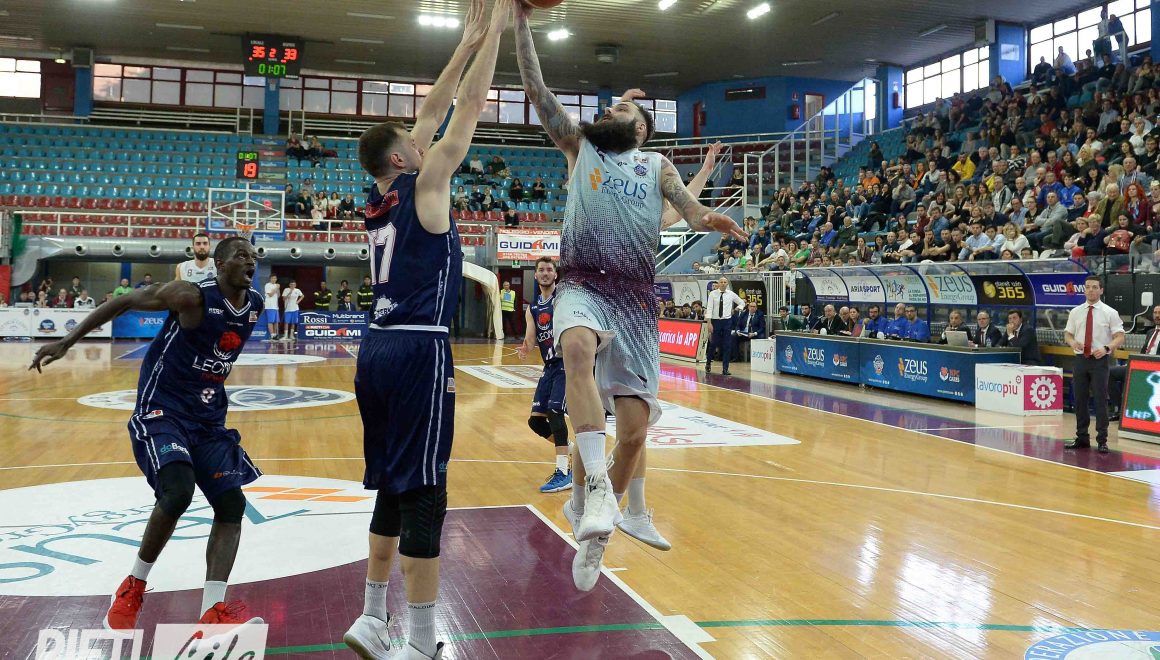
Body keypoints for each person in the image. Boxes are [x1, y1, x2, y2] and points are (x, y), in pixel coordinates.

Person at [515, 1, 744, 593]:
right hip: (583, 281)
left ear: (640, 129)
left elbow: (689, 211)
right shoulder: (580, 147)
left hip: (636, 299)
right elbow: (537, 91)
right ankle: (594, 489)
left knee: (637, 433)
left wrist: (710, 218)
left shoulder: (656, 164)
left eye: (620, 109)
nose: (608, 112)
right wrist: (521, 24)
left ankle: (599, 529)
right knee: (574, 348)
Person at [342, 1, 510, 657]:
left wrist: (465, 40)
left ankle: (369, 615)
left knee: (392, 482)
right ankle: (418, 641)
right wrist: (495, 33)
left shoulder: (379, 195)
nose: (424, 141)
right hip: (419, 349)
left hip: (375, 349)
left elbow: (430, 113)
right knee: (426, 493)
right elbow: (464, 112)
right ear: (402, 156)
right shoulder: (426, 184)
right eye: (414, 143)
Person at [30, 237, 264, 630]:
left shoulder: (254, 304)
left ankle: (212, 610)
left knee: (231, 505)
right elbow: (124, 302)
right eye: (241, 255)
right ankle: (133, 585)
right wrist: (68, 341)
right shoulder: (190, 296)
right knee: (178, 491)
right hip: (163, 409)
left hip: (207, 419)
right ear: (220, 264)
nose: (251, 262)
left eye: (254, 256)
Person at [517, 257, 571, 493]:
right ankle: (573, 452)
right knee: (536, 421)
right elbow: (531, 338)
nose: (546, 273)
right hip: (549, 367)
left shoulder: (564, 298)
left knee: (555, 412)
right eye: (541, 270)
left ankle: (564, 472)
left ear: (556, 274)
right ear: (536, 275)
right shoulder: (533, 307)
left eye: (549, 269)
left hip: (566, 363)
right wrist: (526, 347)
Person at [1064, 276, 1125, 453]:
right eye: (1088, 287)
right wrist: (1072, 342)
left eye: (1095, 287)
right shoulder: (1075, 312)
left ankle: (1102, 440)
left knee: (1100, 400)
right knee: (1080, 399)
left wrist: (1107, 348)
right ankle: (1082, 437)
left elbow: (1120, 336)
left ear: (1101, 290)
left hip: (1100, 361)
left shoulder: (1110, 312)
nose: (1091, 290)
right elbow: (1067, 334)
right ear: (1084, 290)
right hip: (1080, 360)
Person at [1108, 305, 1160, 420]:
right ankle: (1119, 409)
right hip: (1141, 366)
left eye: (1159, 313)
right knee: (1109, 373)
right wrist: (1132, 363)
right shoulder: (1150, 332)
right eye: (1155, 313)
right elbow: (1143, 352)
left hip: (1156, 370)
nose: (1157, 315)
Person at [705, 277, 744, 375]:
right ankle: (708, 362)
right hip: (715, 321)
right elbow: (709, 308)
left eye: (725, 282)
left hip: (727, 321)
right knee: (713, 343)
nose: (723, 283)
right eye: (721, 282)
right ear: (718, 284)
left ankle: (725, 368)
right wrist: (709, 323)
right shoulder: (713, 294)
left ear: (727, 284)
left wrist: (736, 309)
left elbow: (742, 302)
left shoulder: (731, 294)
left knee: (727, 345)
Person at [262, 274, 281, 342]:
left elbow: (278, 295)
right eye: (273, 278)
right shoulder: (267, 285)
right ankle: (272, 335)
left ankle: (275, 335)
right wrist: (276, 288)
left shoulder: (276, 285)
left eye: (275, 278)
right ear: (270, 279)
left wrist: (278, 288)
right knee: (270, 321)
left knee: (276, 322)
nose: (274, 279)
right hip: (270, 306)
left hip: (276, 307)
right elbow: (270, 295)